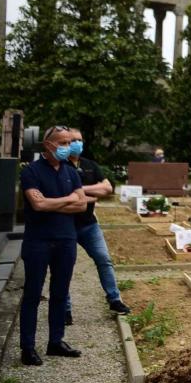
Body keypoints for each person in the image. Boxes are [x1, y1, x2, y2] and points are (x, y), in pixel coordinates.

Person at [18, 125, 87, 365]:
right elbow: (39, 205)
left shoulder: (71, 171)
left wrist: (55, 202)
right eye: (64, 143)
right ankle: (27, 347)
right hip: (38, 241)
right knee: (33, 295)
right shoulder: (31, 172)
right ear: (49, 145)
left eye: (70, 143)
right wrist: (68, 199)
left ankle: (55, 342)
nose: (68, 147)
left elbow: (82, 206)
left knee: (60, 292)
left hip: (66, 239)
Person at [63, 129, 130, 325]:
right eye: (72, 140)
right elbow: (63, 191)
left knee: (104, 259)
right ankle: (64, 308)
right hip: (66, 225)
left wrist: (79, 190)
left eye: (79, 140)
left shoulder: (89, 165)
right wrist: (92, 193)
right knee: (65, 267)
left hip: (89, 225)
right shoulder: (60, 166)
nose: (77, 143)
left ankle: (114, 299)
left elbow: (108, 188)